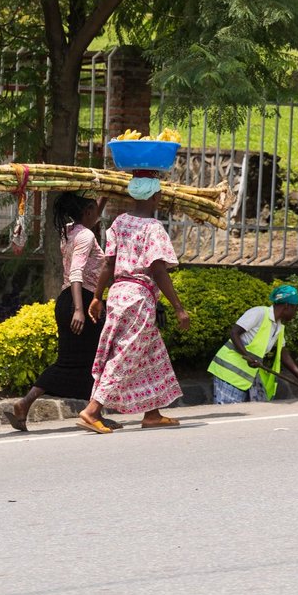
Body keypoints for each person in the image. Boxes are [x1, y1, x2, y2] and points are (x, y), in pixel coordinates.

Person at [77, 172, 190, 433]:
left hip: (118, 294)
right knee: (125, 353)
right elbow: (159, 270)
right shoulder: (153, 228)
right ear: (154, 196)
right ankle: (93, 410)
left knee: (152, 353)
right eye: (159, 193)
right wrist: (178, 308)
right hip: (138, 298)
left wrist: (97, 297)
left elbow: (109, 263)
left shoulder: (120, 222)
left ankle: (152, 413)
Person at [4, 192, 112, 431]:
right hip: (79, 300)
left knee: (88, 361)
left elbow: (92, 217)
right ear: (86, 213)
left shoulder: (71, 230)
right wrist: (79, 310)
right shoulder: (84, 235)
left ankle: (93, 412)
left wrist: (103, 195)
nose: (98, 214)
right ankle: (27, 403)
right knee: (86, 361)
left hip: (66, 301)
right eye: (94, 210)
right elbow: (76, 273)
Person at [209, 284, 298, 403]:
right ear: (287, 306)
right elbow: (234, 332)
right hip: (228, 372)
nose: (295, 313)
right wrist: (247, 355)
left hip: (248, 375)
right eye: (295, 309)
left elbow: (285, 357)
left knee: (257, 410)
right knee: (229, 414)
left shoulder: (279, 327)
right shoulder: (259, 313)